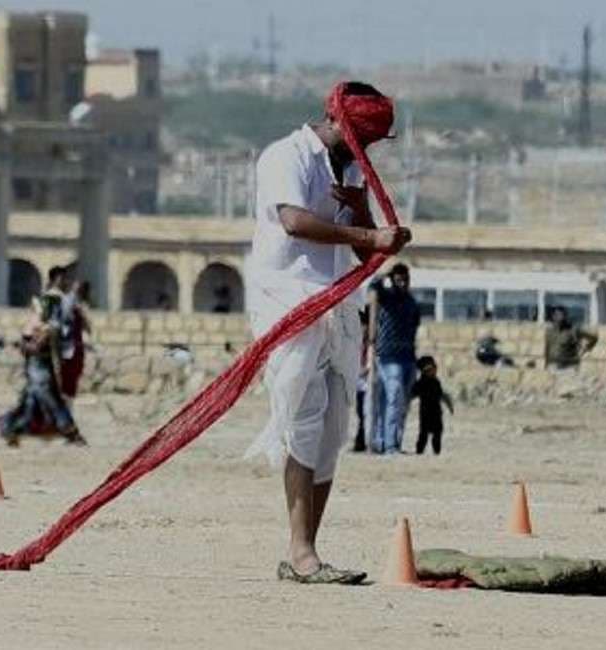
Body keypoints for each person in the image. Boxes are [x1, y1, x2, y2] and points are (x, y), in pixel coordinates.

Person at [244, 81, 410, 585]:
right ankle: (301, 553)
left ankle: (306, 549)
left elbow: (365, 254)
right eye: (363, 137)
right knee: (305, 419)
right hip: (290, 302)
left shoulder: (353, 168)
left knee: (336, 428)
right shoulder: (286, 157)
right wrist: (366, 233)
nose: (369, 148)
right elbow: (294, 222)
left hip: (340, 307)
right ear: (338, 121)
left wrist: (368, 223)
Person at [0, 295, 85, 447]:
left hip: (43, 376)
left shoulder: (51, 328)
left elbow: (38, 348)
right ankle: (12, 431)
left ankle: (71, 434)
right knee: (31, 406)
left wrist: (21, 344)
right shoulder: (38, 328)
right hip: (34, 375)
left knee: (51, 406)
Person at [371, 263, 421, 454]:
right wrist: (384, 274)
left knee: (402, 403)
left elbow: (414, 326)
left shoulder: (411, 302)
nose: (402, 283)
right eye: (398, 279)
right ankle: (387, 444)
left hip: (407, 356)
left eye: (405, 279)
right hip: (388, 357)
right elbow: (372, 285)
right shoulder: (386, 297)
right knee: (392, 399)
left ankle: (393, 442)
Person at [58, 278, 92, 410]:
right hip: (66, 347)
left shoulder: (81, 307)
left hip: (76, 347)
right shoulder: (66, 302)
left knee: (72, 380)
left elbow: (88, 328)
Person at [410, 356, 453, 456]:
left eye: (434, 368)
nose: (434, 371)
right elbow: (412, 394)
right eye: (430, 369)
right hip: (425, 413)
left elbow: (441, 394)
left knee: (437, 433)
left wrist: (449, 405)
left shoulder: (436, 382)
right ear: (424, 371)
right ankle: (419, 451)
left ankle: (436, 451)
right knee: (423, 434)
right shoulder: (421, 383)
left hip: (436, 413)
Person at [544, 306, 598, 370]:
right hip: (553, 365)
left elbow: (594, 337)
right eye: (556, 315)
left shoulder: (573, 329)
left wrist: (586, 348)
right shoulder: (549, 331)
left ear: (565, 316)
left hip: (570, 366)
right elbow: (547, 348)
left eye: (562, 315)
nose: (559, 317)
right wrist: (546, 364)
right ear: (553, 317)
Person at [352, 308, 371, 453]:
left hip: (366, 381)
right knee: (359, 412)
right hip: (356, 381)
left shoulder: (370, 344)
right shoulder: (352, 343)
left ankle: (363, 441)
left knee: (364, 413)